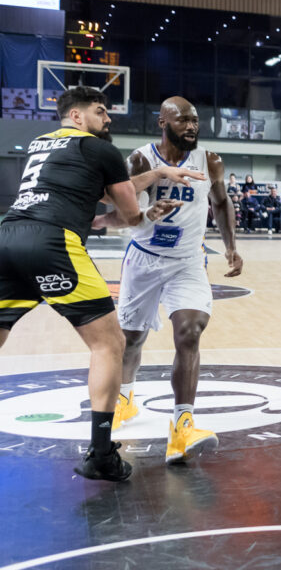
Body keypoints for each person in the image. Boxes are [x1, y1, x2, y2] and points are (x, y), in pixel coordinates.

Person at [0, 87, 198, 481]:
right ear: (77, 116)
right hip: (53, 242)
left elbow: (96, 192)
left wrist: (157, 173)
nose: (108, 119)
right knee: (109, 343)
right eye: (101, 111)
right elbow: (125, 212)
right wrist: (148, 215)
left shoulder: (40, 144)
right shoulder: (101, 150)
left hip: (7, 237)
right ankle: (102, 453)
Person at [101, 97, 243, 465]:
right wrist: (149, 209)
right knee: (131, 338)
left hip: (188, 260)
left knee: (190, 332)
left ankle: (182, 425)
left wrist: (230, 247)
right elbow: (117, 210)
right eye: (183, 120)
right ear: (162, 122)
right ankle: (125, 400)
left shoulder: (209, 160)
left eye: (195, 121)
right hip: (144, 259)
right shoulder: (140, 160)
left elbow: (222, 201)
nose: (192, 126)